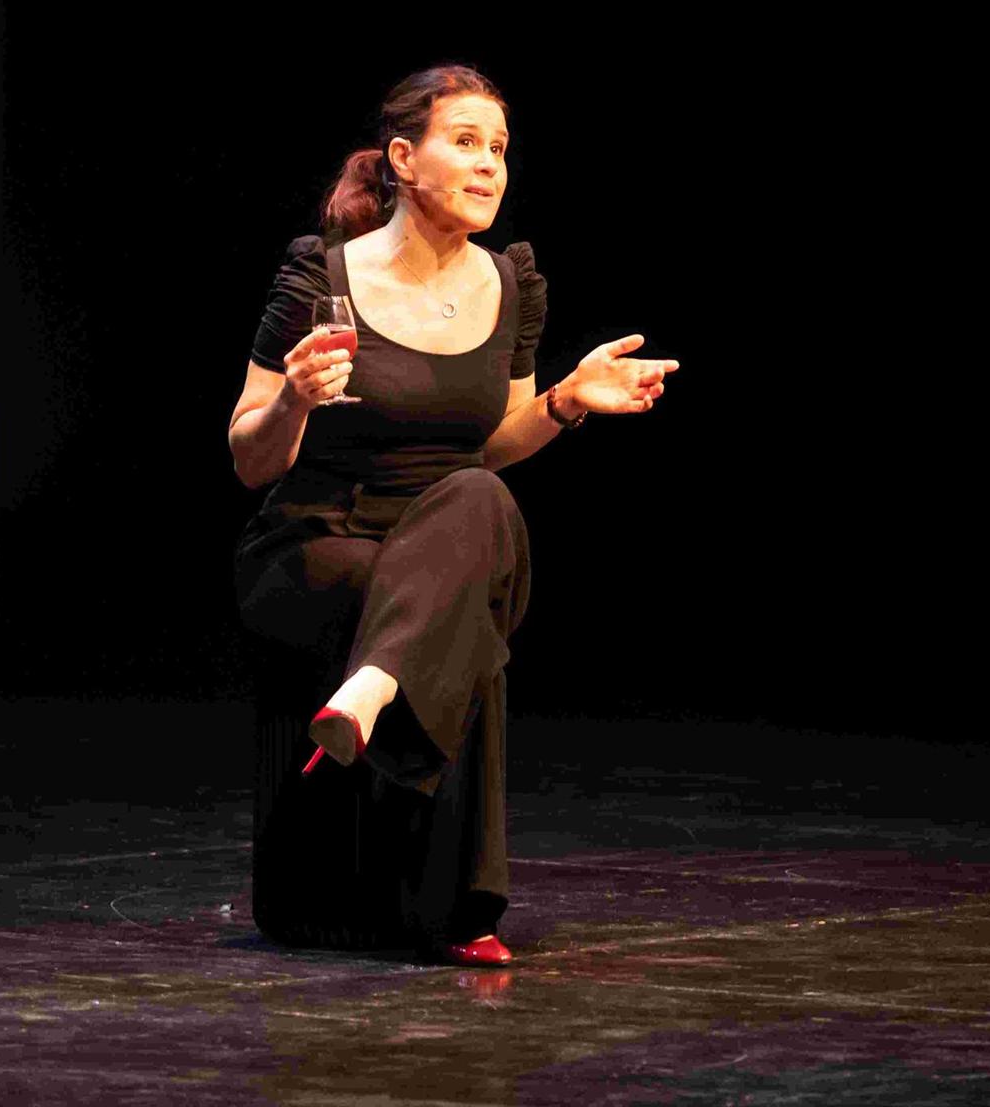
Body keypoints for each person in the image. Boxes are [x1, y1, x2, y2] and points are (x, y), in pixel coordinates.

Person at [228, 65, 676, 966]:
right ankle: (455, 910)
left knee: (478, 496)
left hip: (450, 534)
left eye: (499, 149)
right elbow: (249, 458)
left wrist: (566, 401)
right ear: (402, 158)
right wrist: (295, 402)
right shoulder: (322, 275)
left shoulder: (512, 283)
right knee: (452, 601)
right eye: (465, 142)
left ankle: (371, 690)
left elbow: (495, 442)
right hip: (321, 539)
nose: (488, 166)